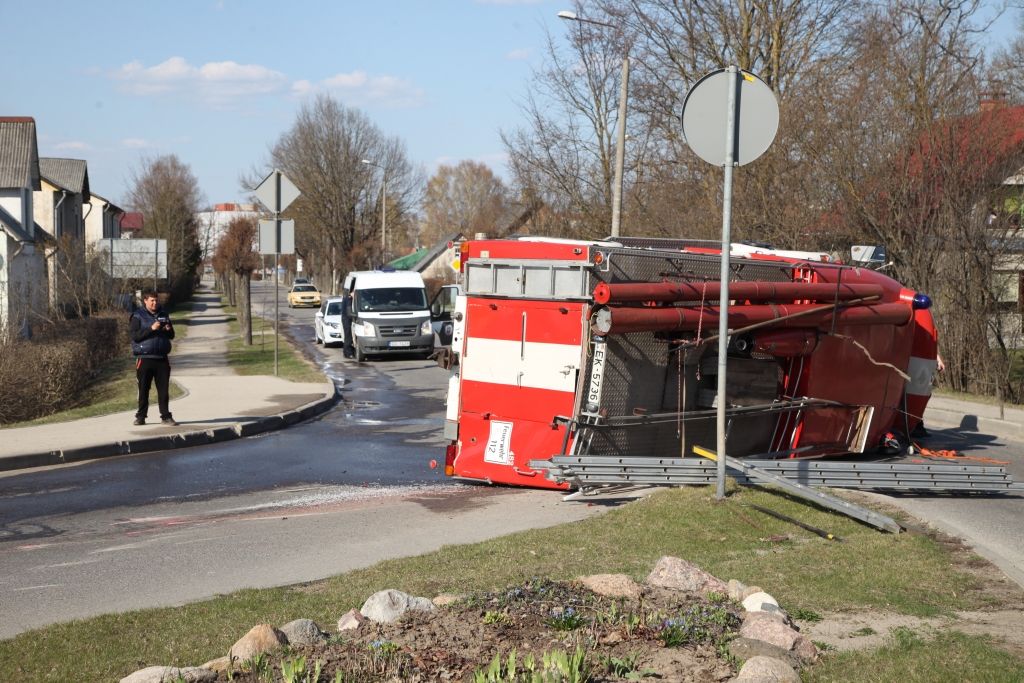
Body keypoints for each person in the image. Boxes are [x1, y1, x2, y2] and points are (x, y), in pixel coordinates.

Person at [129, 291, 177, 426]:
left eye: (156, 301)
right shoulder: (137, 316)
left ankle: (166, 416)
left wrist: (168, 329)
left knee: (163, 389)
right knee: (143, 388)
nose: (155, 303)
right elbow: (135, 336)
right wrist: (151, 328)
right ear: (145, 301)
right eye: (152, 301)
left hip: (161, 357)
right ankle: (141, 416)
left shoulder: (164, 314)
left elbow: (171, 335)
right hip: (144, 357)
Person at [341, 289, 355, 359]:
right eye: (354, 293)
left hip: (346, 319)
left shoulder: (347, 298)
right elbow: (349, 313)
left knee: (348, 337)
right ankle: (348, 353)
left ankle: (347, 352)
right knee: (348, 337)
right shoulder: (349, 299)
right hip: (347, 320)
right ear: (351, 292)